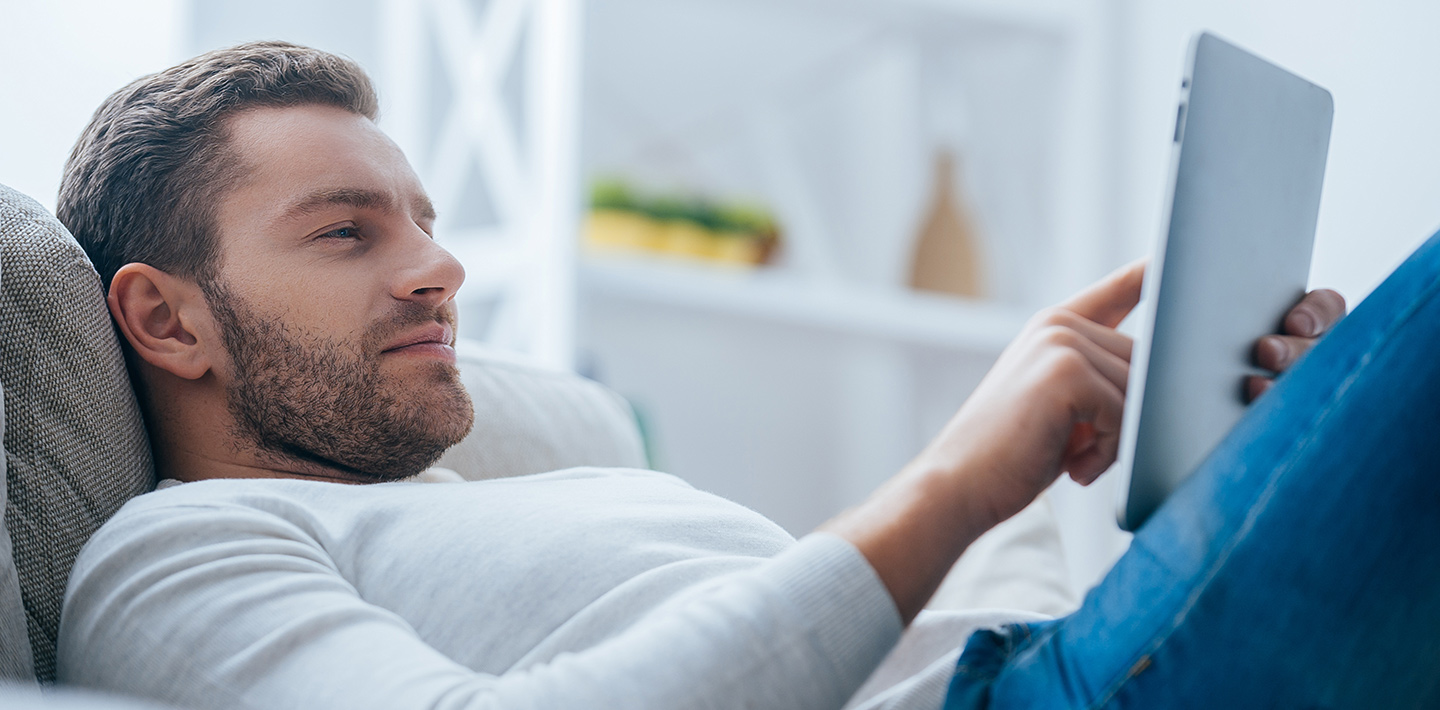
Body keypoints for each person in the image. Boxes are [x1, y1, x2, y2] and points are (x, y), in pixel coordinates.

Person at [50, 41, 1435, 709]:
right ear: (170, 322)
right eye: (349, 232)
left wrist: (1253, 457)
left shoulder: (543, 486)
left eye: (428, 221)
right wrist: (957, 482)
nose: (437, 269)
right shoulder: (177, 553)